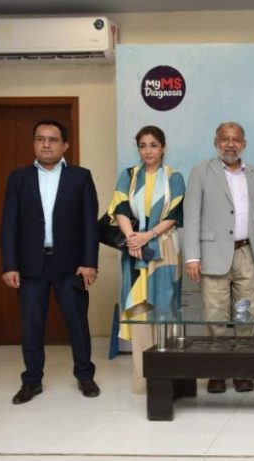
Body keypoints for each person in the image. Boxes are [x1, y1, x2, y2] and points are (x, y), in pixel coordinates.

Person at [1, 119, 100, 404]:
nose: (46, 144)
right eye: (40, 139)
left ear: (65, 145)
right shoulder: (18, 178)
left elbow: (89, 224)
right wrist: (9, 265)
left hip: (71, 265)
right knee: (32, 325)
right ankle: (32, 381)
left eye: (53, 139)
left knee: (77, 323)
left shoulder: (80, 177)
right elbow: (9, 224)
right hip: (31, 266)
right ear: (34, 143)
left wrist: (89, 262)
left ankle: (85, 376)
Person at [183, 121, 254, 394]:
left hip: (246, 253)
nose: (230, 144)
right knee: (215, 316)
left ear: (244, 144)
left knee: (248, 316)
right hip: (212, 255)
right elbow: (191, 215)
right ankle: (216, 371)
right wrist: (192, 257)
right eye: (225, 139)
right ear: (216, 142)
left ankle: (243, 370)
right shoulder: (201, 171)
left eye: (236, 139)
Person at [105, 125, 185, 394]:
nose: (148, 151)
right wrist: (132, 238)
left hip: (164, 249)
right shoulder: (128, 176)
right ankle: (143, 381)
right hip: (135, 251)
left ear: (163, 147)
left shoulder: (174, 178)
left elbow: (173, 215)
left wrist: (148, 235)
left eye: (153, 145)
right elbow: (120, 208)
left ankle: (169, 378)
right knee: (139, 312)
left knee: (165, 310)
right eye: (143, 145)